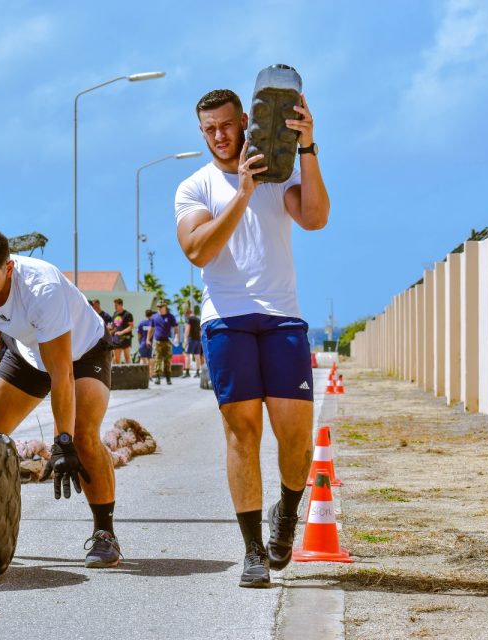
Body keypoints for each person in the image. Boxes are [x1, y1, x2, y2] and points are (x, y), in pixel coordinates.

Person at [174, 88, 328, 587]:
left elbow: (315, 218)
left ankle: (286, 509)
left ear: (244, 120)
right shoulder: (193, 188)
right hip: (227, 318)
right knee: (243, 433)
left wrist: (307, 149)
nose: (219, 136)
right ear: (201, 133)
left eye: (226, 125)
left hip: (282, 316)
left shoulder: (277, 171)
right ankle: (252, 550)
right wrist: (239, 192)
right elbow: (198, 250)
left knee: (295, 436)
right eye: (209, 129)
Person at [0, 230, 121, 568]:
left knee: (83, 437)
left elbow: (61, 373)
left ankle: (105, 534)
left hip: (82, 352)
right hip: (27, 353)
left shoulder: (40, 288)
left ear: (9, 268)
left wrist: (62, 441)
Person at [146, 301, 179, 385]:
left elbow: (175, 328)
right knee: (157, 359)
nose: (159, 308)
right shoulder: (154, 317)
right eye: (158, 307)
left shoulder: (170, 317)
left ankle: (168, 378)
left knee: (167, 360)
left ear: (165, 307)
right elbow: (151, 329)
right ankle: (157, 377)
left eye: (161, 306)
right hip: (157, 341)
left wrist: (176, 337)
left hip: (167, 341)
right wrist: (148, 339)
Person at [109, 298, 134, 364]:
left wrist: (121, 332)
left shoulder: (128, 314)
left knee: (127, 358)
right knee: (117, 359)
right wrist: (109, 331)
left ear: (120, 305)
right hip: (116, 339)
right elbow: (113, 326)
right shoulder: (114, 314)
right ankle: (119, 373)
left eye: (116, 305)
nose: (114, 307)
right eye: (114, 305)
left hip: (126, 338)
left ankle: (128, 373)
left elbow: (131, 327)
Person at [183, 305, 203, 378]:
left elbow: (187, 329)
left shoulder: (189, 319)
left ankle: (187, 372)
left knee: (187, 355)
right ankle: (197, 372)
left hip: (191, 339)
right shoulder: (198, 319)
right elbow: (200, 331)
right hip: (198, 340)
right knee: (197, 356)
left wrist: (185, 339)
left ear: (187, 313)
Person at [136, 309, 155, 379]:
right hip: (151, 343)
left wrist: (140, 343)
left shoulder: (141, 323)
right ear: (152, 315)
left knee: (142, 359)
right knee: (151, 359)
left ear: (145, 315)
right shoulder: (153, 322)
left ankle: (142, 375)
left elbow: (138, 336)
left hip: (143, 343)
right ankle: (150, 375)